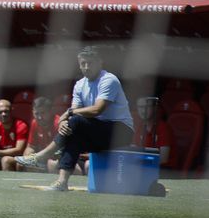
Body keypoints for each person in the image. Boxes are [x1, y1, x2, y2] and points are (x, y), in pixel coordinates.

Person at [19, 47, 135, 191]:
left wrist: (69, 114)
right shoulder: (80, 84)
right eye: (83, 63)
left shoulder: (109, 80)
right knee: (73, 134)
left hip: (121, 131)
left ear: (100, 63)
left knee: (76, 122)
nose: (86, 67)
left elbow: (97, 109)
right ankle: (61, 183)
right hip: (98, 132)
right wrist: (62, 122)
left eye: (90, 63)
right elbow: (73, 113)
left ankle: (43, 156)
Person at [134, 96, 173, 165]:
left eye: (147, 107)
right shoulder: (139, 127)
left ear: (154, 108)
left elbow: (163, 159)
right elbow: (132, 151)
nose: (143, 110)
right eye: (140, 107)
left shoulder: (163, 128)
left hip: (164, 171)